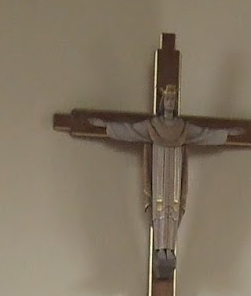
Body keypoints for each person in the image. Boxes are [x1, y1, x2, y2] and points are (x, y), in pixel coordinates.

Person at [91, 85, 230, 279]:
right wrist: (106, 127)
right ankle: (160, 249)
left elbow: (204, 134)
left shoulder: (182, 128)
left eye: (173, 100)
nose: (171, 103)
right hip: (158, 175)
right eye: (168, 99)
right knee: (160, 209)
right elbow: (130, 131)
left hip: (174, 175)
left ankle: (169, 249)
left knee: (173, 209)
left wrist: (227, 135)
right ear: (163, 103)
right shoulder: (152, 126)